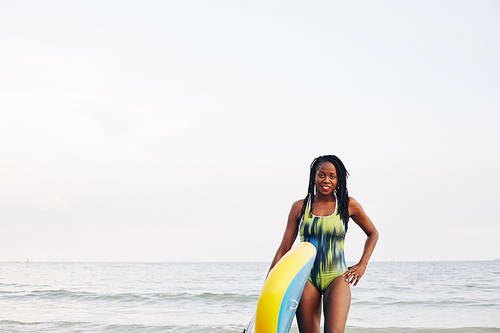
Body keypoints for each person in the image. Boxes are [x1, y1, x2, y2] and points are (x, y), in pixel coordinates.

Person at [268, 155, 378, 333]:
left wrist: (362, 265)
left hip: (337, 276)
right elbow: (284, 248)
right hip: (306, 277)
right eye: (321, 175)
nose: (326, 180)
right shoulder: (300, 208)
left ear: (338, 180)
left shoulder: (348, 205)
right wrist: (270, 282)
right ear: (314, 177)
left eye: (332, 176)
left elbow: (373, 233)